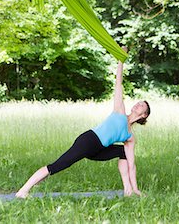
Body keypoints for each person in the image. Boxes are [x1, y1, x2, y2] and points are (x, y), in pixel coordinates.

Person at [15, 48, 150, 198]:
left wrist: (137, 187)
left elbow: (131, 164)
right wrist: (121, 60)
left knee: (122, 152)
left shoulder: (130, 137)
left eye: (142, 105)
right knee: (59, 165)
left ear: (143, 115)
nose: (138, 104)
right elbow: (118, 83)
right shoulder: (119, 110)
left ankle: (129, 191)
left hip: (98, 150)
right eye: (138, 102)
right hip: (88, 140)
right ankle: (23, 190)